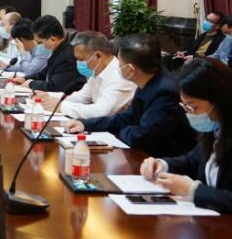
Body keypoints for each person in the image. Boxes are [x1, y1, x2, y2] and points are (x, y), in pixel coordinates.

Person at [65, 34, 197, 158]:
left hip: (166, 160)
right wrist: (85, 124)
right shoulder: (148, 79)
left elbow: (142, 136)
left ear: (130, 69)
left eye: (120, 64)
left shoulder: (165, 91)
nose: (118, 67)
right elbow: (127, 117)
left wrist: (121, 131)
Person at [140, 58, 232, 213]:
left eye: (194, 107)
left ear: (219, 100)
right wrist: (162, 164)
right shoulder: (216, 127)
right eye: (185, 106)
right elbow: (192, 160)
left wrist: (193, 191)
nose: (191, 113)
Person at [37, 31, 136, 118]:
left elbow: (101, 112)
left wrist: (61, 106)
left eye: (81, 59)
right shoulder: (97, 71)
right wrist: (49, 95)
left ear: (98, 56)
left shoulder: (119, 75)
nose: (78, 63)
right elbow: (81, 97)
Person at [14, 15, 81, 92]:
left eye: (40, 43)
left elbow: (55, 87)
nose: (37, 46)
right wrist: (24, 79)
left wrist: (31, 84)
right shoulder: (58, 51)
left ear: (52, 40)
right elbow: (43, 74)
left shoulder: (65, 57)